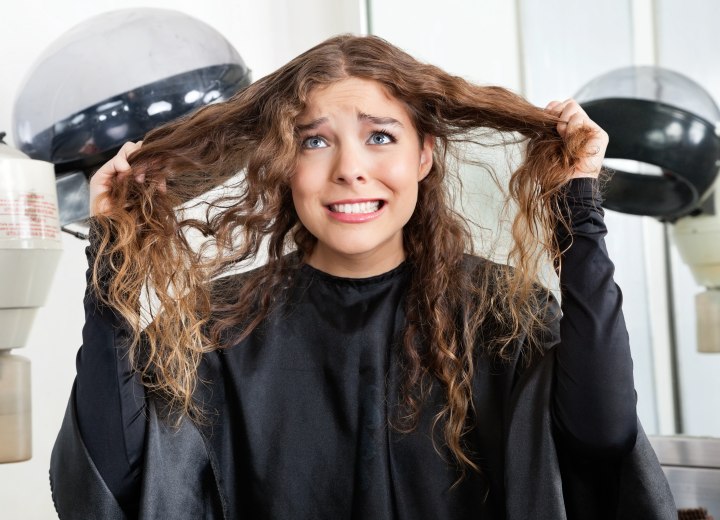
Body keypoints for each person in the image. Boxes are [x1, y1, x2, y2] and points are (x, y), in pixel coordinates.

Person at [50, 34, 675, 519]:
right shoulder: (216, 324)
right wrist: (113, 252)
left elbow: (601, 438)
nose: (351, 169)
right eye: (315, 142)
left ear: (424, 154)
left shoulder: (501, 312)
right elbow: (114, 475)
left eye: (380, 136)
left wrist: (580, 211)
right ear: (282, 162)